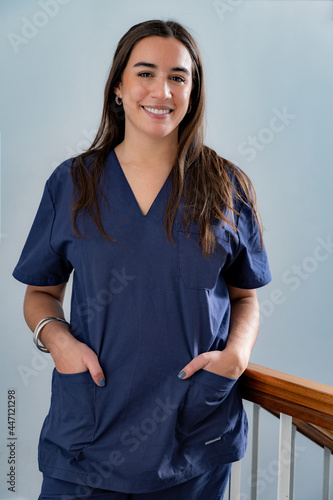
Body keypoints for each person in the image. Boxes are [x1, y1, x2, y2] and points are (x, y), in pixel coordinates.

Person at [13, 19, 271, 500]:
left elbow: (246, 298)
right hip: (87, 442)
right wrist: (57, 340)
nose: (162, 90)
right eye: (146, 73)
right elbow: (41, 293)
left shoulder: (226, 187)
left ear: (193, 93)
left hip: (193, 440)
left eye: (178, 77)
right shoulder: (73, 184)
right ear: (118, 87)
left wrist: (235, 358)